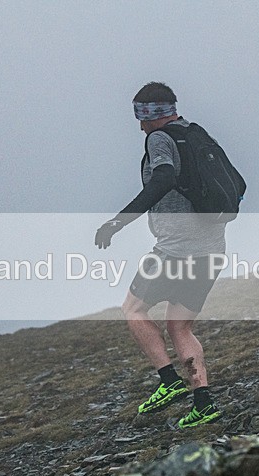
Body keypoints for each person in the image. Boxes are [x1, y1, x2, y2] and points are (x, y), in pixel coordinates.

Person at [94, 82, 224, 428]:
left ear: (153, 115)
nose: (140, 125)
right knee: (179, 326)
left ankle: (168, 382)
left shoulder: (160, 139)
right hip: (212, 250)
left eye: (142, 117)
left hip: (175, 251)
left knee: (132, 309)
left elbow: (163, 177)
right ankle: (204, 403)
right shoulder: (196, 135)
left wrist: (117, 222)